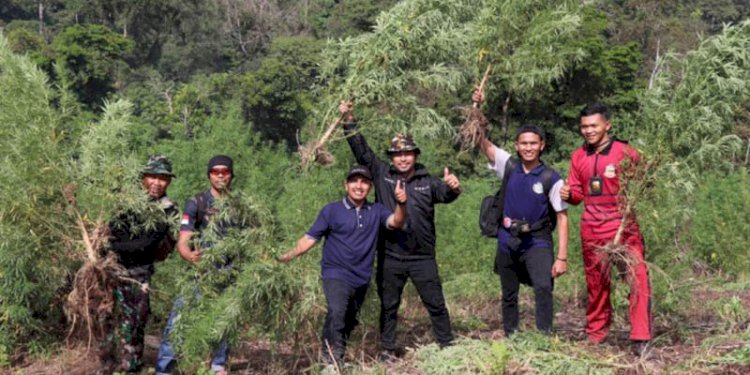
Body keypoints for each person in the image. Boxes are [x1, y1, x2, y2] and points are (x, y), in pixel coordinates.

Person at [340, 101, 461, 359]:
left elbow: (447, 194)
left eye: (408, 153)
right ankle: (386, 349)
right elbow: (361, 150)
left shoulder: (427, 181)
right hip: (390, 255)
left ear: (415, 155)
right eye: (397, 154)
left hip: (423, 257)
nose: (403, 158)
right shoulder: (382, 174)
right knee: (389, 306)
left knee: (436, 304)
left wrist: (453, 186)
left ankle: (448, 347)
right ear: (391, 157)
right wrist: (349, 120)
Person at [279, 165, 407, 369]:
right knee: (337, 312)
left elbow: (396, 222)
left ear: (370, 187)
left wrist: (401, 203)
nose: (359, 186)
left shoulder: (376, 210)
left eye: (364, 182)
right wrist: (286, 256)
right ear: (346, 185)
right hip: (335, 272)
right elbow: (310, 238)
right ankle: (333, 363)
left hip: (361, 277)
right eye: (354, 181)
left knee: (348, 320)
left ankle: (328, 352)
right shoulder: (332, 210)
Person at [473, 90, 569, 337]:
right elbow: (483, 142)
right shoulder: (509, 165)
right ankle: (512, 335)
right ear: (516, 145)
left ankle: (544, 337)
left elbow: (562, 217)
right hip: (507, 239)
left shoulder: (551, 177)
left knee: (543, 288)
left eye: (533, 143)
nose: (528, 148)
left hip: (537, 240)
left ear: (542, 146)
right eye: (523, 143)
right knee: (508, 293)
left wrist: (562, 258)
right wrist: (478, 110)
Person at [560, 103, 652, 354]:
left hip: (624, 228)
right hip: (592, 229)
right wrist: (569, 194)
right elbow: (578, 194)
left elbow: (646, 182)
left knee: (638, 280)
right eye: (584, 127)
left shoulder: (626, 152)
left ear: (607, 125)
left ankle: (640, 338)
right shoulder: (578, 156)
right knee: (596, 284)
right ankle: (596, 334)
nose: (588, 131)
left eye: (593, 126)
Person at [155, 155, 237, 375]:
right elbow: (184, 239)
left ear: (231, 175)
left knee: (223, 321)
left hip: (229, 274)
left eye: (225, 171)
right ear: (209, 175)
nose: (220, 175)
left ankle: (218, 366)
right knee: (178, 321)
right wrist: (189, 255)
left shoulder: (240, 205)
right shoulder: (197, 202)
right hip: (199, 273)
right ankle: (164, 370)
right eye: (215, 171)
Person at [103, 155, 178, 374]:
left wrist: (117, 246)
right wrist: (115, 246)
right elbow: (112, 234)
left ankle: (131, 366)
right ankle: (106, 364)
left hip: (139, 273)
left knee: (135, 323)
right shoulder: (126, 202)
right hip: (109, 269)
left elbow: (147, 245)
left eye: (163, 178)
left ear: (169, 182)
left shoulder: (168, 209)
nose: (157, 182)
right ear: (143, 178)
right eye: (152, 176)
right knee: (104, 317)